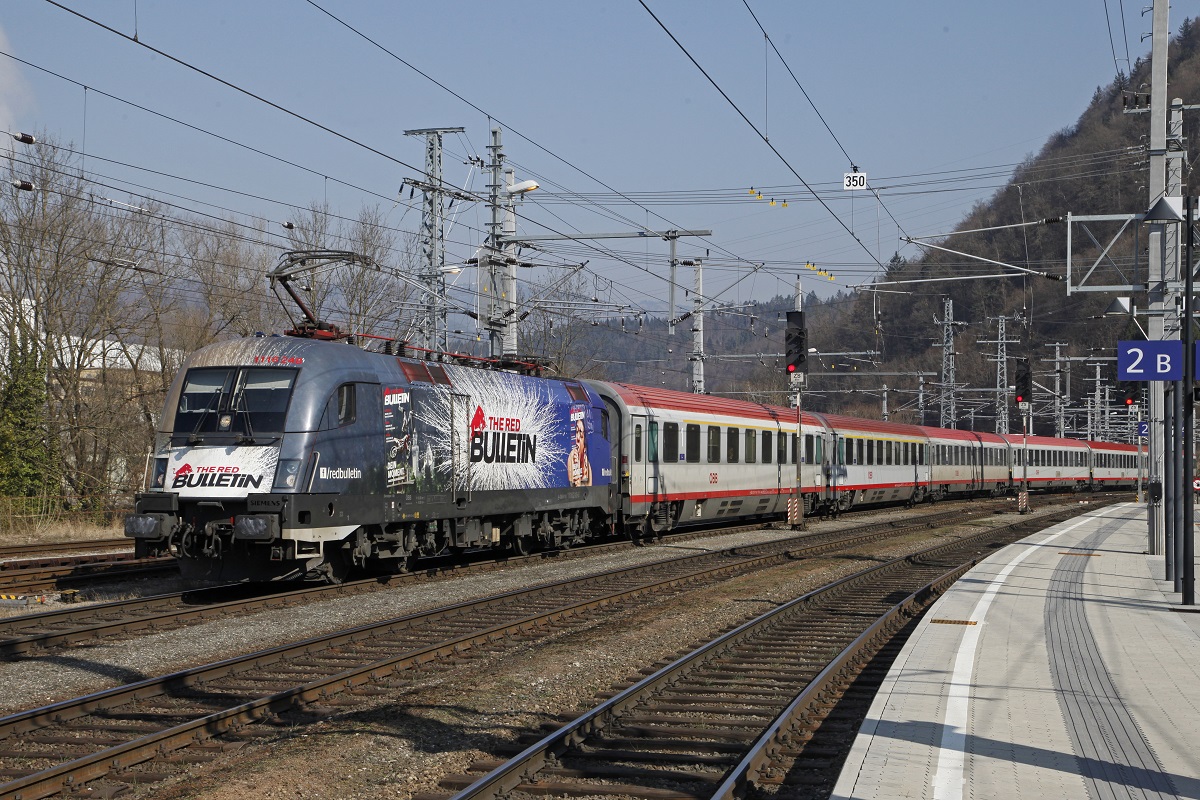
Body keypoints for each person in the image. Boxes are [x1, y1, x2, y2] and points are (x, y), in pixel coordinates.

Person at [566, 418, 592, 487]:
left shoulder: (587, 461)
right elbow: (571, 485)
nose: (577, 437)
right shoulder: (572, 456)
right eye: (577, 431)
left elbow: (589, 486)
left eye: (580, 432)